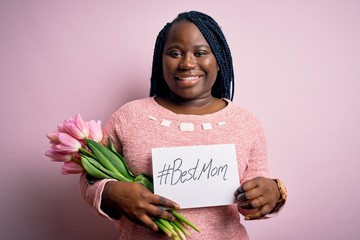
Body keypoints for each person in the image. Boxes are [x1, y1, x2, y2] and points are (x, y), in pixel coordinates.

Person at [80, 10, 287, 240]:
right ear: (161, 60)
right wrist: (109, 192)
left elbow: (255, 190)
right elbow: (90, 177)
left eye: (200, 53)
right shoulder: (129, 117)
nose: (187, 63)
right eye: (175, 53)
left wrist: (273, 192)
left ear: (219, 60)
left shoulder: (246, 123)